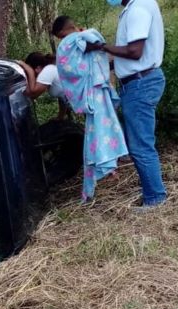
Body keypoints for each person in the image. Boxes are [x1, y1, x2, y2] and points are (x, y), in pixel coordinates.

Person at [83, 0, 167, 208]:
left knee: (140, 146)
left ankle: (155, 199)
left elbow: (135, 51)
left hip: (140, 83)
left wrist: (99, 47)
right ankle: (153, 195)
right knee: (141, 143)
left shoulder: (138, 9)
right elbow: (133, 55)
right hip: (141, 81)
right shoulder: (139, 6)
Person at [51, 16, 129, 203]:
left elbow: (77, 59)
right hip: (96, 90)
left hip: (93, 92)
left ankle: (105, 166)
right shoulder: (77, 39)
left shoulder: (71, 40)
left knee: (98, 132)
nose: (62, 41)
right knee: (101, 130)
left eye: (61, 36)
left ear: (65, 30)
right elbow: (92, 46)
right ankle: (106, 165)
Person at [18, 52, 70, 120]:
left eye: (32, 71)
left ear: (38, 68)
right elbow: (62, 96)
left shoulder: (48, 71)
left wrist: (29, 70)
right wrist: (60, 117)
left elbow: (32, 93)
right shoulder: (51, 70)